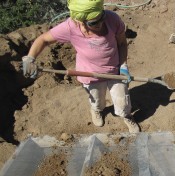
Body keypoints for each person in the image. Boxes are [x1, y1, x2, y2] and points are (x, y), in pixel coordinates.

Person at [22, 0, 140, 133]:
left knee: (122, 101)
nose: (100, 23)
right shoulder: (70, 27)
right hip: (89, 74)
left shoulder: (112, 19)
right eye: (94, 22)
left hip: (116, 70)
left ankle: (126, 116)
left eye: (101, 17)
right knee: (97, 101)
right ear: (80, 21)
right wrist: (30, 58)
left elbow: (122, 43)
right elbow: (43, 39)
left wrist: (123, 65)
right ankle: (96, 110)